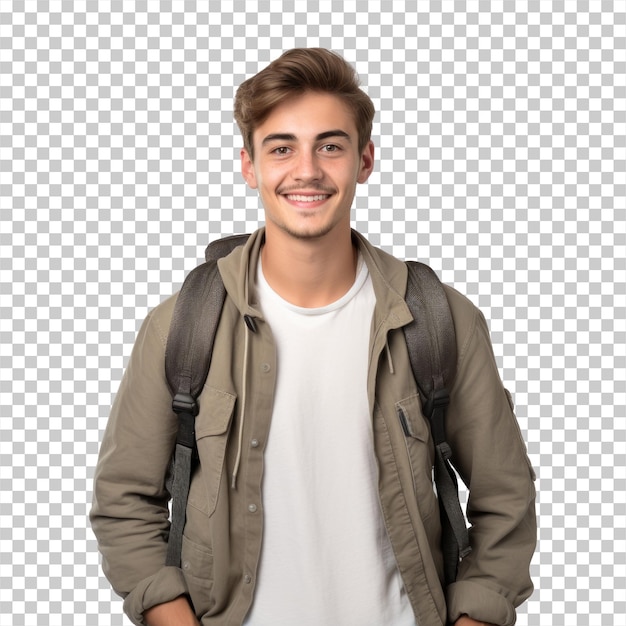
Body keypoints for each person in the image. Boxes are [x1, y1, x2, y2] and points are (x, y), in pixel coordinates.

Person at [90, 48, 536, 626]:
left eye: (330, 145)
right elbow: (125, 503)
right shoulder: (183, 324)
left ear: (365, 160)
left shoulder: (441, 319)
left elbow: (506, 500)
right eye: (281, 148)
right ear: (249, 166)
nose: (307, 170)